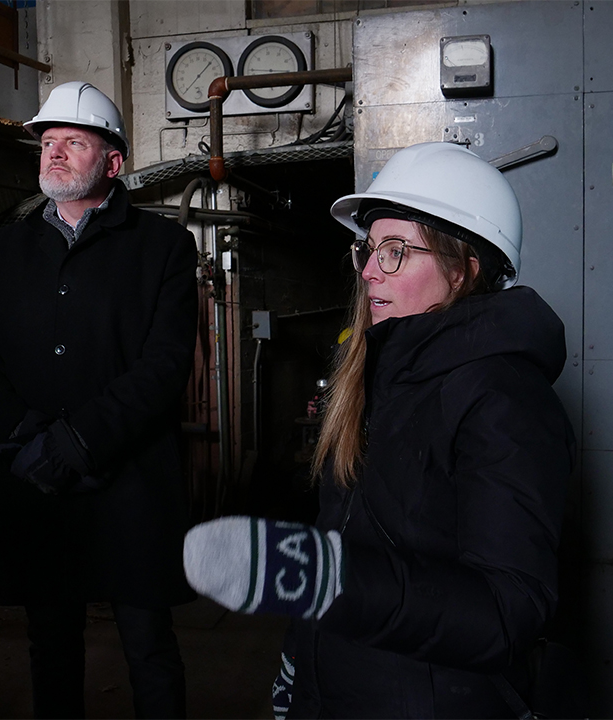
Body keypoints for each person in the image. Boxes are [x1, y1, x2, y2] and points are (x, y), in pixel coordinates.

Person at [183, 142, 575, 718]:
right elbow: (344, 535)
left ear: (463, 270)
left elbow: (505, 612)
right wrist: (299, 658)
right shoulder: (377, 378)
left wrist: (326, 578)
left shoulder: (505, 399)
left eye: (395, 251)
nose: (369, 270)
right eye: (368, 249)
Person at [0, 81, 198, 719]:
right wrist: (25, 440)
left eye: (75, 142)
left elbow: (165, 366)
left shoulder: (161, 246)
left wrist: (78, 441)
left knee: (147, 641)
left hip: (131, 483)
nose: (55, 154)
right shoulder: (6, 250)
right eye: (49, 141)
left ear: (113, 162)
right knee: (50, 641)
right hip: (37, 476)